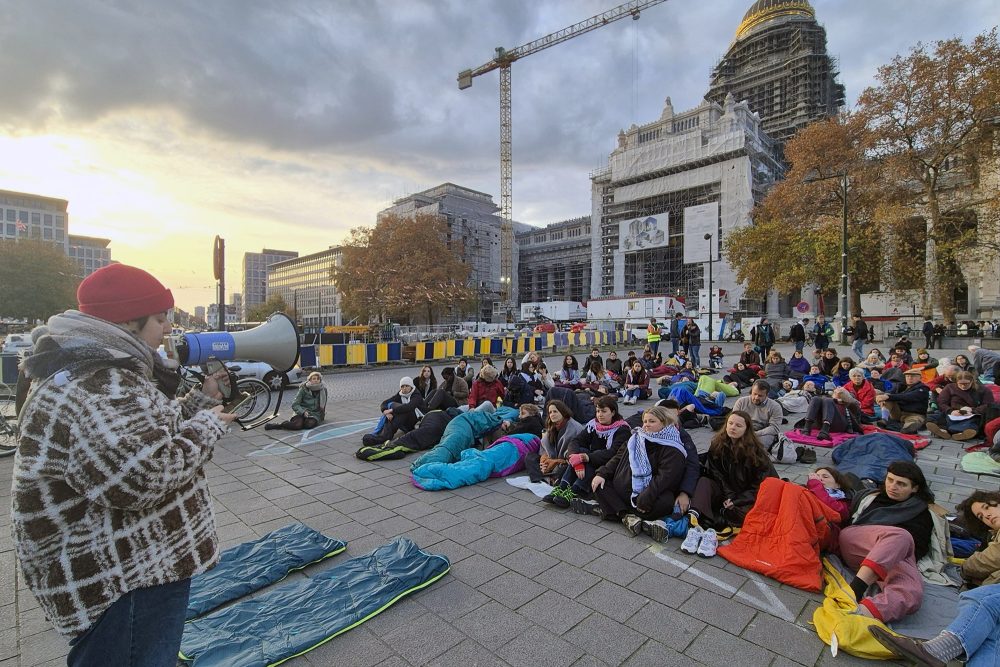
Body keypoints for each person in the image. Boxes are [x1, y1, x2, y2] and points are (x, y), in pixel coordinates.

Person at [11, 264, 237, 666]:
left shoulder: (95, 368)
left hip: (127, 566)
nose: (168, 328)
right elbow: (142, 479)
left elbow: (141, 434)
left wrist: (200, 402)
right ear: (128, 322)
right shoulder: (100, 385)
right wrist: (206, 426)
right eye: (161, 318)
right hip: (125, 576)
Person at [838, 461, 934, 622]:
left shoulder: (922, 513)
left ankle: (858, 615)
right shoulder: (870, 497)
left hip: (891, 559)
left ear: (915, 488)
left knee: (912, 592)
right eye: (890, 480)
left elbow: (917, 549)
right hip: (856, 541)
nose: (893, 486)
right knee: (901, 535)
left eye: (901, 484)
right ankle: (855, 590)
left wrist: (891, 551)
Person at [681, 411, 778, 557]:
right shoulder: (717, 444)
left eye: (738, 425)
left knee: (750, 517)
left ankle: (714, 524)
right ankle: (695, 520)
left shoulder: (756, 453)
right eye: (730, 423)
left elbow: (762, 485)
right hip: (725, 492)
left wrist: (736, 500)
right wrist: (728, 496)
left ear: (747, 429)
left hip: (747, 496)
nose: (733, 427)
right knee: (704, 482)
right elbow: (716, 474)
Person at [590, 406, 689, 535]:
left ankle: (616, 509)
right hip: (624, 490)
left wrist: (645, 498)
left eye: (652, 421)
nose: (646, 425)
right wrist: (602, 473)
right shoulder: (636, 438)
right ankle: (627, 516)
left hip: (649, 496)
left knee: (665, 502)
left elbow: (664, 478)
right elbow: (617, 458)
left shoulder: (673, 448)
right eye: (645, 421)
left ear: (664, 422)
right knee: (598, 483)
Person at [547, 395, 630, 509]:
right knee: (580, 451)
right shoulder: (593, 425)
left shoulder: (622, 430)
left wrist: (585, 457)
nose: (600, 414)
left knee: (589, 459)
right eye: (597, 411)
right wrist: (577, 460)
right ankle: (562, 487)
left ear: (613, 412)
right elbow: (576, 441)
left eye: (604, 411)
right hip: (592, 459)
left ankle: (575, 491)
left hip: (609, 465)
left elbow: (613, 453)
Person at [526, 400, 584, 484]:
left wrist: (553, 462)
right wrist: (544, 461)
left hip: (565, 462)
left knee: (565, 468)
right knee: (530, 456)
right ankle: (541, 477)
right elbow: (544, 448)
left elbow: (573, 455)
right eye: (550, 412)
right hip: (553, 459)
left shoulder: (574, 428)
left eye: (555, 411)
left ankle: (549, 478)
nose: (552, 414)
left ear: (563, 412)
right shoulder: (553, 425)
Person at [926, 371, 995, 441]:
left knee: (973, 423)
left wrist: (973, 410)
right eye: (960, 384)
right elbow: (941, 402)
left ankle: (960, 433)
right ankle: (944, 431)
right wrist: (950, 411)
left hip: (971, 414)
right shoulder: (950, 387)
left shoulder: (983, 390)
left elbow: (988, 404)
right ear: (956, 382)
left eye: (966, 384)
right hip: (952, 413)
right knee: (933, 417)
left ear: (972, 381)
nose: (963, 386)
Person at [875, 368, 930, 434]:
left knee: (913, 422)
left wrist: (888, 396)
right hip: (899, 413)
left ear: (920, 378)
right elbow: (890, 392)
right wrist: (883, 396)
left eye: (913, 376)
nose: (910, 378)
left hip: (914, 414)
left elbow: (909, 396)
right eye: (907, 376)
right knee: (886, 398)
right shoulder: (902, 386)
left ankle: (908, 428)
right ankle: (884, 419)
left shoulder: (923, 388)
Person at [732, 380, 783, 450]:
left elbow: (774, 428)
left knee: (755, 446)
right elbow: (733, 420)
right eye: (754, 394)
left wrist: (755, 434)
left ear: (767, 395)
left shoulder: (775, 407)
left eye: (760, 395)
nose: (756, 397)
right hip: (743, 430)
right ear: (751, 391)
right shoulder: (741, 402)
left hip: (763, 433)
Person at [372, 377, 426, 441]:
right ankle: (384, 434)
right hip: (404, 424)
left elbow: (409, 406)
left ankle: (384, 436)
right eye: (402, 386)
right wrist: (386, 412)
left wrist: (392, 410)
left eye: (407, 386)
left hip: (415, 423)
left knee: (401, 409)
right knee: (392, 405)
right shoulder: (400, 394)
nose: (404, 388)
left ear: (411, 386)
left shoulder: (416, 395)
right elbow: (385, 403)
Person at [798, 386, 863, 440]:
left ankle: (825, 431)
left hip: (839, 424)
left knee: (828, 400)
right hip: (819, 424)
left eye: (840, 391)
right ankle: (807, 428)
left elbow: (856, 405)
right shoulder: (828, 399)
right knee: (816, 398)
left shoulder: (849, 403)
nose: (837, 391)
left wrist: (844, 398)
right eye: (835, 391)